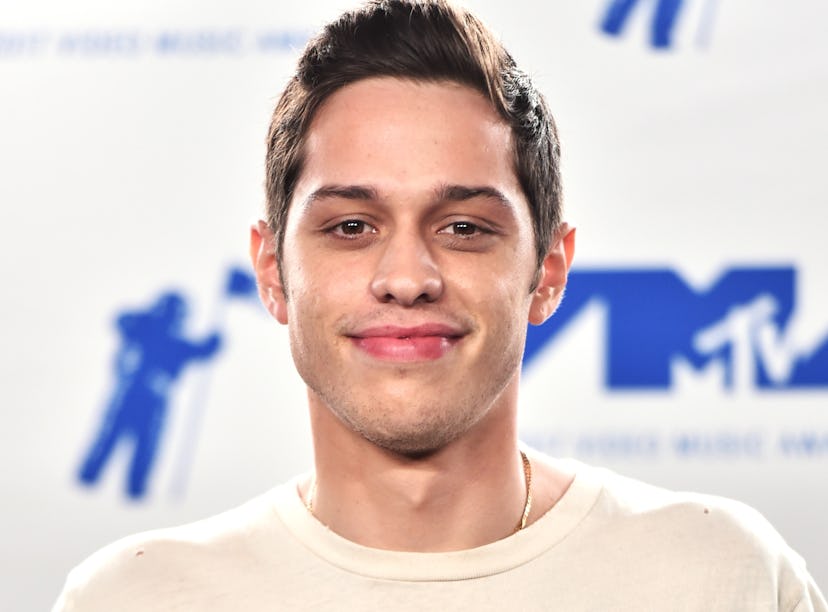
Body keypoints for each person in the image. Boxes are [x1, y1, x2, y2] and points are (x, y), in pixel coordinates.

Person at [54, 1, 826, 610]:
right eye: (351, 227)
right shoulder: (135, 599)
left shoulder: (722, 580)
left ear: (549, 270)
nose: (407, 276)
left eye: (463, 227)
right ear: (272, 271)